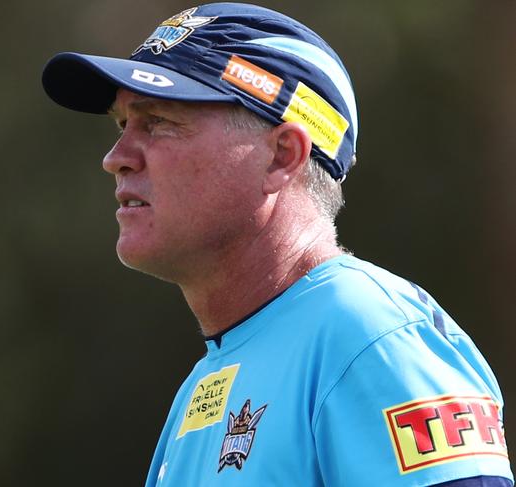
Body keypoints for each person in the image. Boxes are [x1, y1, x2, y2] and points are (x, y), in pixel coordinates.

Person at [42, 3, 513, 486]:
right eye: (123, 125)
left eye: (158, 120)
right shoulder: (207, 382)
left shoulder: (372, 335)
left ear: (281, 156)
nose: (115, 158)